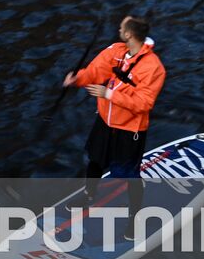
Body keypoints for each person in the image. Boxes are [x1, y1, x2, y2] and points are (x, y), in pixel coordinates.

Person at [62, 15, 166, 241]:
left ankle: (135, 218)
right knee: (95, 160)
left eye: (122, 27)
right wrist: (76, 80)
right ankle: (89, 195)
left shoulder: (153, 67)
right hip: (105, 122)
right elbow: (94, 71)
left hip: (129, 130)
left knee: (128, 174)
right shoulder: (116, 51)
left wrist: (108, 94)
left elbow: (144, 103)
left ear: (129, 33)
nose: (119, 29)